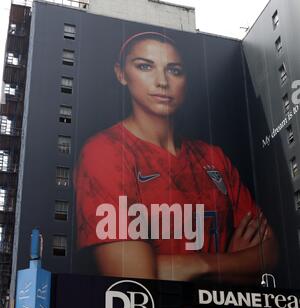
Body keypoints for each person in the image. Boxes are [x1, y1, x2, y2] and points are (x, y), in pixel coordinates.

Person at [75, 31, 278, 284]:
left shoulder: (212, 157)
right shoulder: (105, 151)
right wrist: (232, 267)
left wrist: (200, 264)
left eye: (174, 70)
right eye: (145, 66)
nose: (162, 81)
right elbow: (135, 280)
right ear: (121, 73)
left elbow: (268, 252)